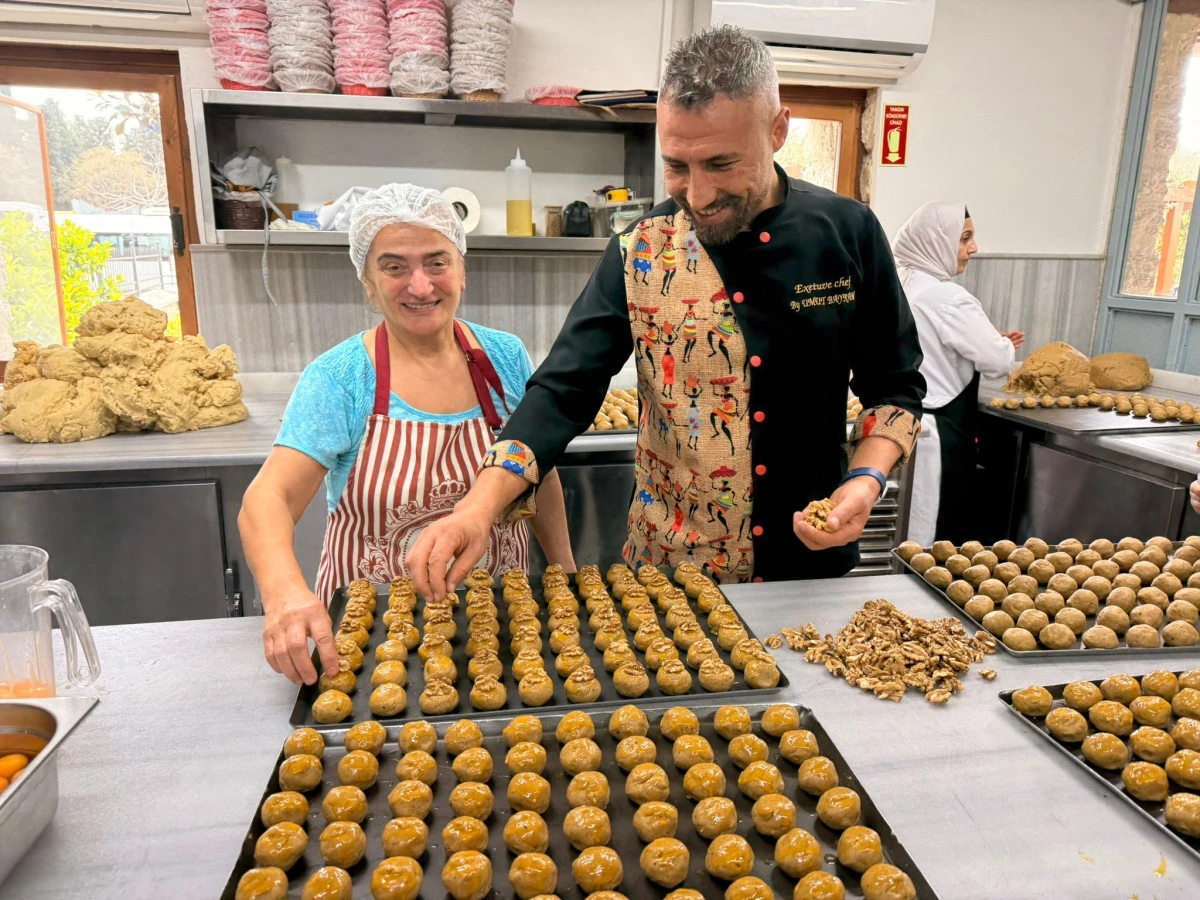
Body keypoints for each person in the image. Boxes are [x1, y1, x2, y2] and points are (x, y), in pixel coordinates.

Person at [406, 26, 925, 600]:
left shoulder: (848, 234)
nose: (697, 196)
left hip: (809, 569)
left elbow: (894, 386)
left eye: (722, 164)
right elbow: (565, 387)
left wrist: (866, 477)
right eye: (677, 166)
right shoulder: (641, 249)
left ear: (778, 130)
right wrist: (478, 508)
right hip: (669, 575)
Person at [239, 183, 574, 684]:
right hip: (372, 640)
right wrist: (283, 591)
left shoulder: (504, 358)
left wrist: (563, 573)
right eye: (394, 267)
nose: (420, 286)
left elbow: (534, 470)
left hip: (502, 629)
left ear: (463, 270)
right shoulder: (341, 377)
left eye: (437, 262)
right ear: (366, 283)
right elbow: (269, 498)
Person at [892, 201, 1024, 546]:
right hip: (942, 434)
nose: (973, 248)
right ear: (935, 241)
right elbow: (996, 363)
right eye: (964, 238)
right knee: (934, 540)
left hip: (899, 426)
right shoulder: (948, 297)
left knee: (905, 529)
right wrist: (1001, 344)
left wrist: (987, 339)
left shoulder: (899, 284)